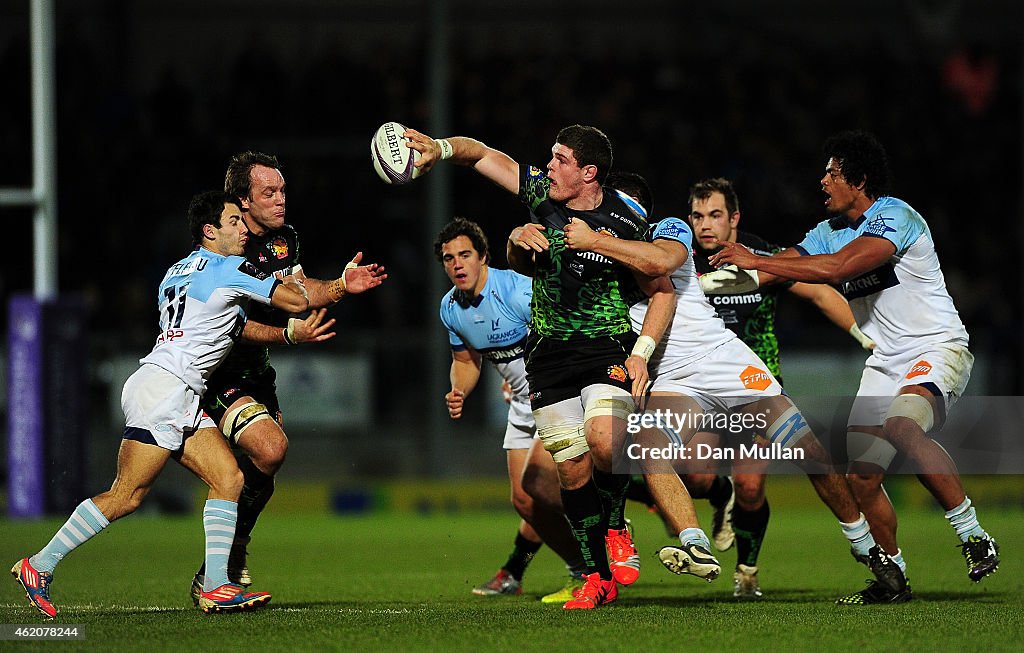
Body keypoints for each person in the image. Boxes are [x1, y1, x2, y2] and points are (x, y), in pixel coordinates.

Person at [563, 172, 904, 606]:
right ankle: (695, 544)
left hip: (726, 363)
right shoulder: (598, 266)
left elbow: (659, 264)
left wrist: (594, 239)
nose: (608, 219)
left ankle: (867, 549)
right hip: (672, 380)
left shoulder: (668, 230)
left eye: (617, 209)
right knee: (653, 452)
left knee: (809, 452)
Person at [709, 130, 999, 604]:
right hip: (885, 363)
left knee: (905, 430)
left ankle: (972, 534)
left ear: (859, 180)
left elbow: (838, 269)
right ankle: (894, 579)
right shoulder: (826, 232)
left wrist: (759, 261)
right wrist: (699, 282)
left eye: (833, 173)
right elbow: (775, 269)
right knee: (861, 479)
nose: (822, 181)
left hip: (936, 347)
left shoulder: (895, 216)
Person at [409, 124, 677, 610]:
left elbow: (662, 285)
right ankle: (597, 578)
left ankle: (617, 524)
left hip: (604, 344)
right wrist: (441, 148)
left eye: (560, 159)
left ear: (588, 172)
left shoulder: (623, 216)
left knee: (604, 440)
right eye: (549, 158)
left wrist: (641, 353)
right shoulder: (541, 194)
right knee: (570, 473)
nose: (548, 165)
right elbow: (484, 156)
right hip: (548, 353)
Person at [11, 191, 310, 618]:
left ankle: (216, 586)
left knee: (228, 477)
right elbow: (296, 301)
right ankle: (39, 565)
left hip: (169, 385)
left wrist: (280, 333)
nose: (244, 228)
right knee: (127, 495)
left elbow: (221, 321)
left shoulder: (175, 271)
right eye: (234, 222)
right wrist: (296, 276)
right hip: (165, 389)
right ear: (210, 231)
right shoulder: (231, 267)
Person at [190, 152, 387, 601]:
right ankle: (221, 564)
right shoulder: (222, 250)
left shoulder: (283, 239)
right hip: (217, 372)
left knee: (267, 462)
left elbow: (297, 292)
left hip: (257, 373)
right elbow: (232, 326)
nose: (281, 200)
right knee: (268, 448)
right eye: (269, 193)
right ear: (242, 201)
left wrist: (340, 285)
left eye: (282, 191)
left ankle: (226, 555)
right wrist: (288, 333)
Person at [680, 177, 876, 598]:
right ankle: (719, 494)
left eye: (715, 215)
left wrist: (864, 336)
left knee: (751, 486)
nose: (705, 225)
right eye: (697, 216)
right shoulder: (681, 260)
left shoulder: (760, 257)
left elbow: (821, 294)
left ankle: (746, 572)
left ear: (735, 218)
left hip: (755, 382)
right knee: (695, 477)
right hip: (701, 382)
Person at [434, 217, 587, 603]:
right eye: (449, 258)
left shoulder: (517, 291)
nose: (457, 264)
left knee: (539, 482)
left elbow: (562, 334)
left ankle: (606, 522)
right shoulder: (450, 308)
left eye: (465, 255)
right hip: (521, 403)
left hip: (555, 393)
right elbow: (467, 361)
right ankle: (582, 567)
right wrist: (459, 390)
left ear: (483, 257)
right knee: (524, 500)